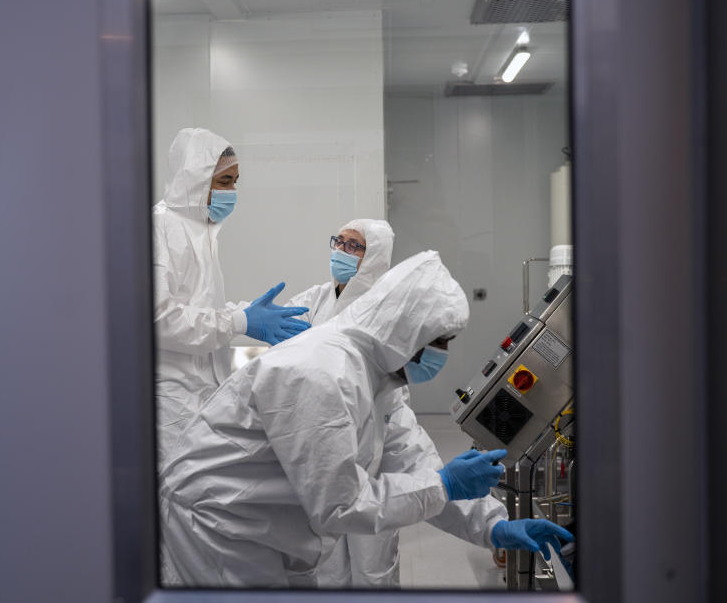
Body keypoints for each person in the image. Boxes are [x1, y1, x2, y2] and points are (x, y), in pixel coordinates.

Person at [159, 251, 573, 587]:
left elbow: (417, 467)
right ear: (408, 329)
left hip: (266, 524)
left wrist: (494, 526)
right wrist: (445, 485)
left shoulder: (380, 378)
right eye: (440, 341)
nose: (442, 354)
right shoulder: (321, 373)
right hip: (219, 523)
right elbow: (341, 505)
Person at [153, 128, 311, 465]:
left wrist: (247, 313)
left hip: (200, 391)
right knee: (174, 498)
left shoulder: (202, 231)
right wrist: (238, 321)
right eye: (224, 182)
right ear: (194, 179)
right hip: (170, 396)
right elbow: (159, 318)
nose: (233, 192)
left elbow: (197, 307)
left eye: (235, 181)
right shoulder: (161, 227)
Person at [286, 219, 394, 326]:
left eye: (352, 246)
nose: (339, 249)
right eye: (338, 241)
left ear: (373, 259)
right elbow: (287, 328)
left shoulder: (385, 310)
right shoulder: (316, 297)